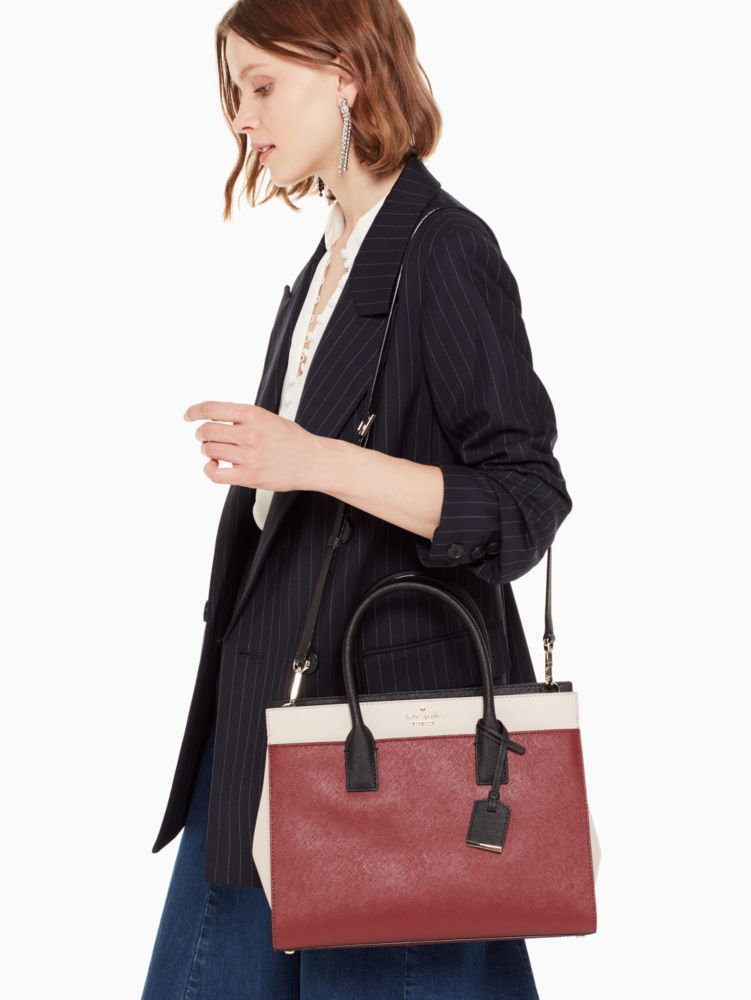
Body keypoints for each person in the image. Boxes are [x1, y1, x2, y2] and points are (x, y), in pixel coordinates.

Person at [142, 1, 573, 996]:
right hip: (260, 718)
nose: (241, 118)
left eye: (261, 86)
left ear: (345, 76)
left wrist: (313, 460)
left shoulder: (441, 247)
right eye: (233, 92)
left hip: (389, 746)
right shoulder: (329, 261)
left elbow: (525, 499)